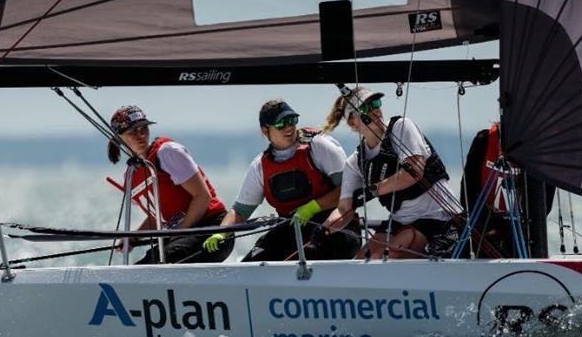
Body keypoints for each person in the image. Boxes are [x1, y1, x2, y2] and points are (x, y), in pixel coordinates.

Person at [203, 99, 360, 261]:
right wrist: (222, 231)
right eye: (281, 124)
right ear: (265, 130)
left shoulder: (320, 146)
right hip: (293, 228)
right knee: (254, 261)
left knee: (308, 254)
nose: (289, 127)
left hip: (336, 227)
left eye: (292, 121)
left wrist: (313, 208)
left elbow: (349, 188)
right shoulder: (259, 166)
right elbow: (240, 211)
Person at [321, 87, 460, 259]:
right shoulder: (355, 163)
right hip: (400, 221)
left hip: (438, 218)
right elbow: (343, 209)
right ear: (352, 123)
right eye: (365, 108)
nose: (375, 110)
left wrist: (373, 190)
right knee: (361, 262)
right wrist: (324, 229)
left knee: (391, 256)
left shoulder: (401, 127)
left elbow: (414, 171)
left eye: (376, 103)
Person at [108, 105, 233, 264]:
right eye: (133, 131)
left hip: (212, 229)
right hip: (184, 235)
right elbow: (157, 217)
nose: (140, 135)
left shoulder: (168, 152)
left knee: (156, 265)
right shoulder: (131, 175)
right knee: (142, 268)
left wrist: (179, 233)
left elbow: (203, 196)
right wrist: (133, 237)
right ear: (119, 139)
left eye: (143, 128)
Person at [460, 122, 555, 257]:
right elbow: (467, 194)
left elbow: (543, 206)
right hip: (485, 226)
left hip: (520, 231)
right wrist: (492, 225)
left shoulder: (540, 151)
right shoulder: (484, 141)